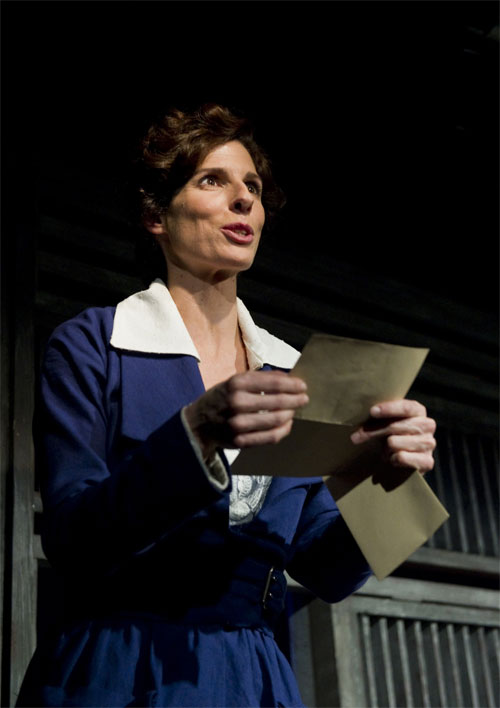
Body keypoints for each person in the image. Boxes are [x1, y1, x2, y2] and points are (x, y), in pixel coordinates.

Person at [18, 104, 436, 707]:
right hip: (122, 663)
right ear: (156, 215)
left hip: (252, 675)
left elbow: (328, 572)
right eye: (212, 180)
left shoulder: (294, 371)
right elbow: (71, 538)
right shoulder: (95, 345)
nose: (243, 199)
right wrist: (195, 435)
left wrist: (386, 484)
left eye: (253, 188)